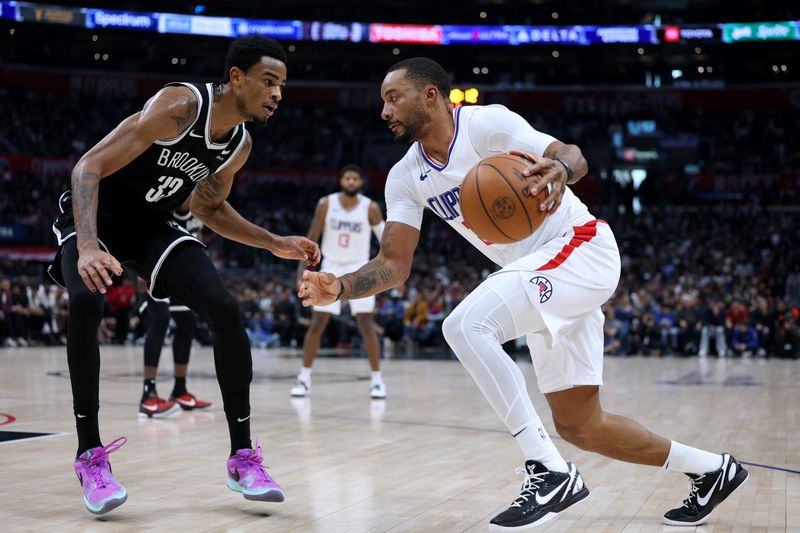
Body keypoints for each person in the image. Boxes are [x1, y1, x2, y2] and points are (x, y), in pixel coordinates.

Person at [298, 58, 748, 529]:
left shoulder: (487, 124)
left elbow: (572, 154)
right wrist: (343, 286)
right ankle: (713, 470)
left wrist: (559, 168)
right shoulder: (404, 177)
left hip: (579, 247)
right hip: (539, 273)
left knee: (466, 325)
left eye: (393, 98)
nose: (385, 111)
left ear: (431, 94)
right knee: (581, 426)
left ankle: (549, 472)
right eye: (382, 102)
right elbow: (395, 262)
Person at [47, 36, 319, 515]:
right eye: (269, 82)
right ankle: (90, 454)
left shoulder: (238, 144)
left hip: (152, 227)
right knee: (87, 301)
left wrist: (273, 242)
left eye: (282, 86)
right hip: (96, 218)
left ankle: (242, 458)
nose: (278, 94)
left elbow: (209, 208)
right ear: (236, 78)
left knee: (224, 309)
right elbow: (89, 166)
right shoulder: (181, 105)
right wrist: (88, 245)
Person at [291, 164, 387, 399]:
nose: (351, 181)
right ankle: (303, 379)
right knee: (317, 323)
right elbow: (312, 238)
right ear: (341, 181)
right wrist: (301, 270)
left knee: (365, 323)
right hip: (331, 266)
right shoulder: (326, 203)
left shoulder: (370, 207)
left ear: (361, 182)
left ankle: (377, 381)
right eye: (347, 178)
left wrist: (383, 272)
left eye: (355, 178)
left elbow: (386, 241)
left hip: (359, 268)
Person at [137, 200, 212, 418]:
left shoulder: (198, 211)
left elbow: (197, 241)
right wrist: (141, 271)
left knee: (187, 323)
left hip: (178, 270)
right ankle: (147, 394)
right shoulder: (162, 203)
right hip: (149, 265)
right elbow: (140, 234)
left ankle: (179, 389)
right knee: (159, 320)